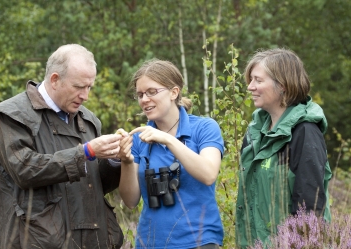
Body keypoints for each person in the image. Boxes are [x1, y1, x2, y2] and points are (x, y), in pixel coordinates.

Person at [0, 44, 124, 249]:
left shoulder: (89, 120)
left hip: (92, 241)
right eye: (78, 87)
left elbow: (95, 185)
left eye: (89, 87)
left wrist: (114, 160)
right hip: (36, 243)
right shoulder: (9, 117)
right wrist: (85, 152)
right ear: (55, 79)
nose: (85, 96)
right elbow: (24, 170)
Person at [117, 59, 224, 249]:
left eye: (152, 92)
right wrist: (126, 161)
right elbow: (130, 201)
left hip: (199, 241)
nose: (144, 100)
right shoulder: (139, 138)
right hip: (150, 243)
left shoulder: (204, 128)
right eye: (140, 94)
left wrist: (167, 139)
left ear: (174, 92)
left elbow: (208, 174)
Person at [235, 48, 332, 248]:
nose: (250, 87)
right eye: (250, 80)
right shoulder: (255, 133)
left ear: (283, 85)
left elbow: (310, 210)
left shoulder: (304, 132)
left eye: (258, 80)